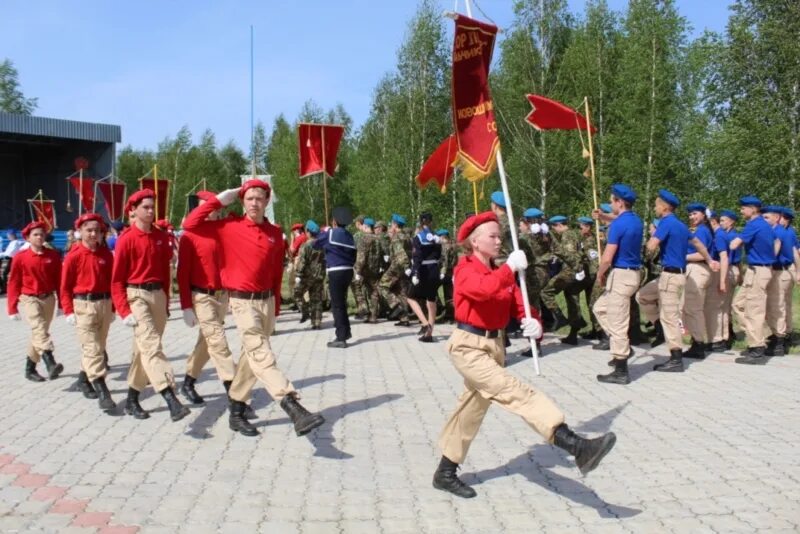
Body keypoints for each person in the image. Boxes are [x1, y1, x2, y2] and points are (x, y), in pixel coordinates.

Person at [432, 211, 616, 499]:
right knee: (516, 392)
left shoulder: (501, 270)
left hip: (494, 346)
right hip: (469, 347)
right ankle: (574, 445)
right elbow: (483, 291)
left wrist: (533, 324)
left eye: (499, 235)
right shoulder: (465, 269)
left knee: (471, 409)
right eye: (492, 236)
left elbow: (519, 302)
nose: (498, 240)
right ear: (474, 241)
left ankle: (445, 471)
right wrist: (508, 269)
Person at [183, 181, 325, 437]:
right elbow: (190, 225)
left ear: (266, 202)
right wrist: (219, 200)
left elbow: (274, 271)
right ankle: (293, 406)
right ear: (242, 201)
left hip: (266, 301)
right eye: (249, 198)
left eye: (259, 198)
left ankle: (236, 412)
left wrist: (277, 306)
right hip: (242, 301)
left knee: (251, 358)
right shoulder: (229, 227)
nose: (254, 203)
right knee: (261, 354)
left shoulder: (274, 232)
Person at [112, 189, 190, 422]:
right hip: (137, 296)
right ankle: (171, 399)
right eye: (145, 207)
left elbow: (165, 273)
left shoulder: (159, 237)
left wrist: (166, 301)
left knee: (143, 351)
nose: (150, 210)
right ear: (133, 210)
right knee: (152, 347)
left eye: (152, 206)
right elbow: (116, 279)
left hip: (158, 296)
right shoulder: (126, 239)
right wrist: (123, 310)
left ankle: (131, 400)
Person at [637, 190, 717, 373]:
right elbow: (698, 244)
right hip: (676, 275)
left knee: (670, 316)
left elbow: (651, 246)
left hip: (670, 276)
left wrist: (645, 246)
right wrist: (710, 259)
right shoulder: (681, 225)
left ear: (664, 207)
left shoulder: (666, 223)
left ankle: (675, 357)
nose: (654, 208)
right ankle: (658, 328)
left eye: (656, 205)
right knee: (643, 295)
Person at [176, 190, 237, 406]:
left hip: (222, 296)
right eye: (206, 206)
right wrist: (185, 306)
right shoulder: (190, 235)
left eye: (214, 206)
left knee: (207, 342)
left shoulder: (223, 229)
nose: (211, 210)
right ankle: (235, 393)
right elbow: (182, 274)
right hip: (202, 297)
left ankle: (188, 382)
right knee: (219, 342)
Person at [60, 213, 115, 412]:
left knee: (97, 348)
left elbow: (113, 282)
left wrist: (114, 307)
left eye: (97, 231)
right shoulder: (73, 256)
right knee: (92, 349)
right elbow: (64, 287)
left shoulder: (106, 255)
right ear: (80, 232)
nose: (93, 234)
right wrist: (67, 310)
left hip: (104, 304)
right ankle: (103, 392)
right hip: (83, 306)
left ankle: (84, 379)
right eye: (88, 230)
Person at [592, 184, 644, 385]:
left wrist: (600, 273)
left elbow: (607, 256)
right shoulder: (634, 220)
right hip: (631, 274)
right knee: (600, 308)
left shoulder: (618, 226)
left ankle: (621, 368)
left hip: (621, 275)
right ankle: (623, 348)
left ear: (619, 202)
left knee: (618, 322)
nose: (610, 204)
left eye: (612, 201)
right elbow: (619, 219)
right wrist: (604, 217)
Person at [7, 222, 64, 382]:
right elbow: (13, 283)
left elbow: (59, 281)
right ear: (28, 238)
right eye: (36, 235)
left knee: (38, 334)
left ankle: (29, 369)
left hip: (48, 298)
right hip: (29, 298)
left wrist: (61, 304)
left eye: (42, 234)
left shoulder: (52, 256)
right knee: (39, 330)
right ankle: (50, 362)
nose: (39, 237)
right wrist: (12, 308)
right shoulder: (20, 257)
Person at [730, 196, 778, 364]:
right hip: (755, 269)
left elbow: (734, 244)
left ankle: (757, 348)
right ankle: (757, 338)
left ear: (752, 209)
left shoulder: (754, 225)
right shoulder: (764, 225)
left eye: (743, 208)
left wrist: (723, 239)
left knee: (754, 309)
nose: (741, 211)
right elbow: (776, 241)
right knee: (738, 304)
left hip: (759, 270)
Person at [313, 206, 357, 348]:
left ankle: (341, 337)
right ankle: (346, 331)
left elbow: (315, 245)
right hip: (348, 271)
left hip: (336, 271)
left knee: (337, 306)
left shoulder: (330, 233)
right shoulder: (350, 235)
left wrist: (323, 232)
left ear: (334, 221)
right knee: (342, 303)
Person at [540, 215, 585, 344]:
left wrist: (576, 268)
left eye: (554, 227)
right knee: (572, 301)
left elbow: (570, 255)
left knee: (546, 292)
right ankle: (574, 332)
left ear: (559, 225)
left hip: (570, 270)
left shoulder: (567, 235)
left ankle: (560, 318)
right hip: (576, 270)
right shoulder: (576, 233)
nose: (554, 231)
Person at [682, 203, 715, 358]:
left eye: (695, 214)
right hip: (696, 270)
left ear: (703, 215)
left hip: (698, 269)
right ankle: (696, 340)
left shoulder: (701, 231)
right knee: (690, 308)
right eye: (690, 214)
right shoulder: (701, 230)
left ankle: (698, 344)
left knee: (693, 309)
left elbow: (702, 255)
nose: (692, 217)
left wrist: (681, 257)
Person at [763, 206, 794, 357]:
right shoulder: (785, 231)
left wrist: (766, 264)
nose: (764, 220)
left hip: (779, 272)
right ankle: (778, 337)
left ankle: (779, 342)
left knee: (777, 307)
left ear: (777, 218)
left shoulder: (777, 232)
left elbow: (775, 249)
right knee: (778, 306)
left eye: (766, 218)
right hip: (783, 271)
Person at [407, 213, 442, 342]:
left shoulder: (418, 238)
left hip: (423, 271)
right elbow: (439, 255)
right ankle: (430, 333)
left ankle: (425, 323)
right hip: (434, 270)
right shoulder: (436, 237)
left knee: (410, 297)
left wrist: (415, 273)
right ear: (431, 222)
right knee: (431, 300)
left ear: (420, 223)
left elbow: (417, 257)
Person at [380, 214, 412, 326]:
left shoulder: (397, 237)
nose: (390, 226)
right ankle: (404, 319)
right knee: (401, 292)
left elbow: (401, 254)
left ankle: (396, 306)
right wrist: (408, 267)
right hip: (404, 268)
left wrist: (406, 265)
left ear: (395, 224)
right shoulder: (407, 236)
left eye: (391, 224)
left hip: (397, 267)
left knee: (382, 286)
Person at [293, 220, 326, 329]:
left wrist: (298, 274)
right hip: (320, 275)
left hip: (307, 276)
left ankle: (305, 311)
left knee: (297, 293)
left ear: (308, 232)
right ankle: (316, 322)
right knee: (316, 298)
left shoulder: (306, 245)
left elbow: (302, 262)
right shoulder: (322, 245)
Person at [578, 216, 603, 339]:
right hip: (589, 277)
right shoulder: (584, 239)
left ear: (587, 227)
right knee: (589, 302)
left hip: (595, 277)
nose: (579, 229)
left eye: (580, 227)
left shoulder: (591, 241)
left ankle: (602, 334)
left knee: (595, 304)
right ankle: (595, 330)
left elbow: (594, 261)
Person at [353, 217, 382, 324]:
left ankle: (364, 310)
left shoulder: (363, 239)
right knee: (374, 292)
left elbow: (361, 256)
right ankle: (374, 316)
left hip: (365, 269)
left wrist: (358, 270)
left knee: (359, 288)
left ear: (365, 226)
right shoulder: (378, 238)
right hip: (376, 269)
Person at [436, 229, 457, 323]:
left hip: (443, 273)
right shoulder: (453, 246)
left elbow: (444, 260)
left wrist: (442, 272)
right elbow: (455, 260)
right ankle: (451, 315)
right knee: (449, 295)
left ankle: (440, 311)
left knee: (433, 291)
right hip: (450, 272)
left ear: (442, 237)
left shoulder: (444, 246)